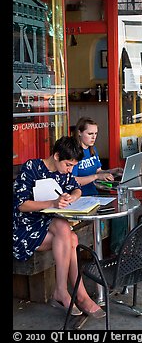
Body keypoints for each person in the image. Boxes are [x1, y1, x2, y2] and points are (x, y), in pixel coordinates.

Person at [13, 136, 106, 318]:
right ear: (56, 156)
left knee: (68, 234)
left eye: (72, 166)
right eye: (68, 165)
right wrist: (53, 202)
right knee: (69, 236)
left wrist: (73, 197)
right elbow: (21, 205)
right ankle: (75, 294)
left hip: (46, 223)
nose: (70, 170)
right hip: (24, 228)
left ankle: (67, 292)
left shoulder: (63, 171)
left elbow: (76, 187)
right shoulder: (32, 167)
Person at [73, 116, 122, 196]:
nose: (94, 137)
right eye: (90, 134)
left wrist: (113, 171)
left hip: (94, 194)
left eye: (95, 133)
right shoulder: (73, 152)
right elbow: (72, 180)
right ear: (79, 133)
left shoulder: (92, 149)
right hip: (80, 197)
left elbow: (98, 171)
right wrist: (96, 176)